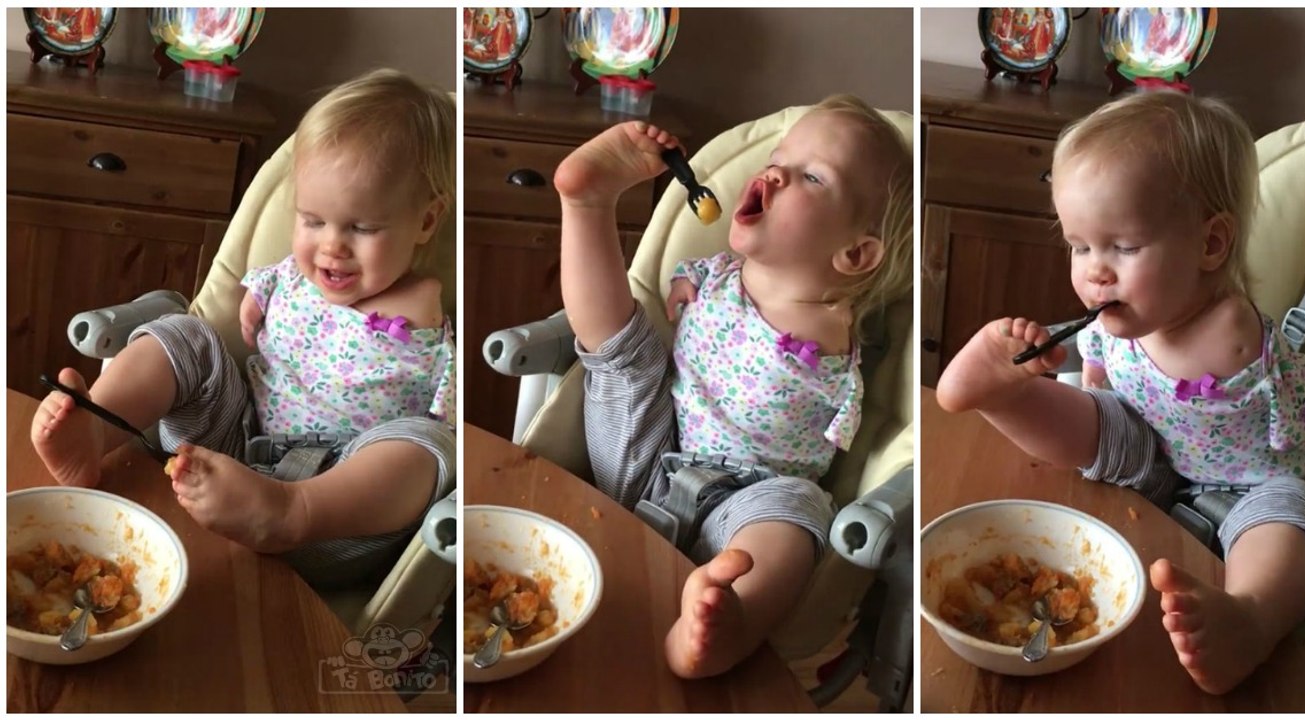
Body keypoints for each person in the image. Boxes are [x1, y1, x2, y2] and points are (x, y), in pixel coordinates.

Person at [935, 90, 1305, 695]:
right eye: (1081, 246)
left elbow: (1300, 435)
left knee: (1287, 518)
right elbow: (1103, 388)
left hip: (1253, 484)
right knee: (1097, 425)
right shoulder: (1120, 317)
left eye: (1123, 247)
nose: (1094, 272)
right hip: (1157, 456)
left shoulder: (1232, 334)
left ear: (1210, 245)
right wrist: (1079, 402)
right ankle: (1003, 396)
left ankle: (1251, 618)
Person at [31, 69, 457, 589]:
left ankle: (286, 511)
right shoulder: (291, 274)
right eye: (312, 220)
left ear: (427, 221)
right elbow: (257, 287)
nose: (332, 246)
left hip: (336, 511)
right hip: (235, 452)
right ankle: (97, 428)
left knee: (428, 445)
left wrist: (445, 423)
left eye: (362, 228)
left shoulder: (430, 316)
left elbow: (451, 416)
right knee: (188, 335)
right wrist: (256, 297)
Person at [553, 95, 912, 677]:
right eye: (778, 158)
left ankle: (727, 622)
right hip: (652, 459)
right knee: (624, 358)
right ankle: (586, 203)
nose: (775, 172)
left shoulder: (832, 319)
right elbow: (687, 279)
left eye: (812, 176)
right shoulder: (720, 271)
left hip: (753, 497)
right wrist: (680, 282)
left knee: (796, 522)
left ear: (854, 254)